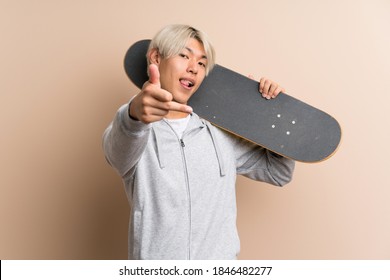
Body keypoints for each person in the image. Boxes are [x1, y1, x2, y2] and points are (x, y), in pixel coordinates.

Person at [103, 24, 295, 260]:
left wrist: (271, 117)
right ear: (156, 58)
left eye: (202, 63)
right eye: (184, 56)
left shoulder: (220, 134)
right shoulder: (134, 130)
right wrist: (134, 114)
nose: (193, 68)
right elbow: (116, 153)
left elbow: (278, 172)